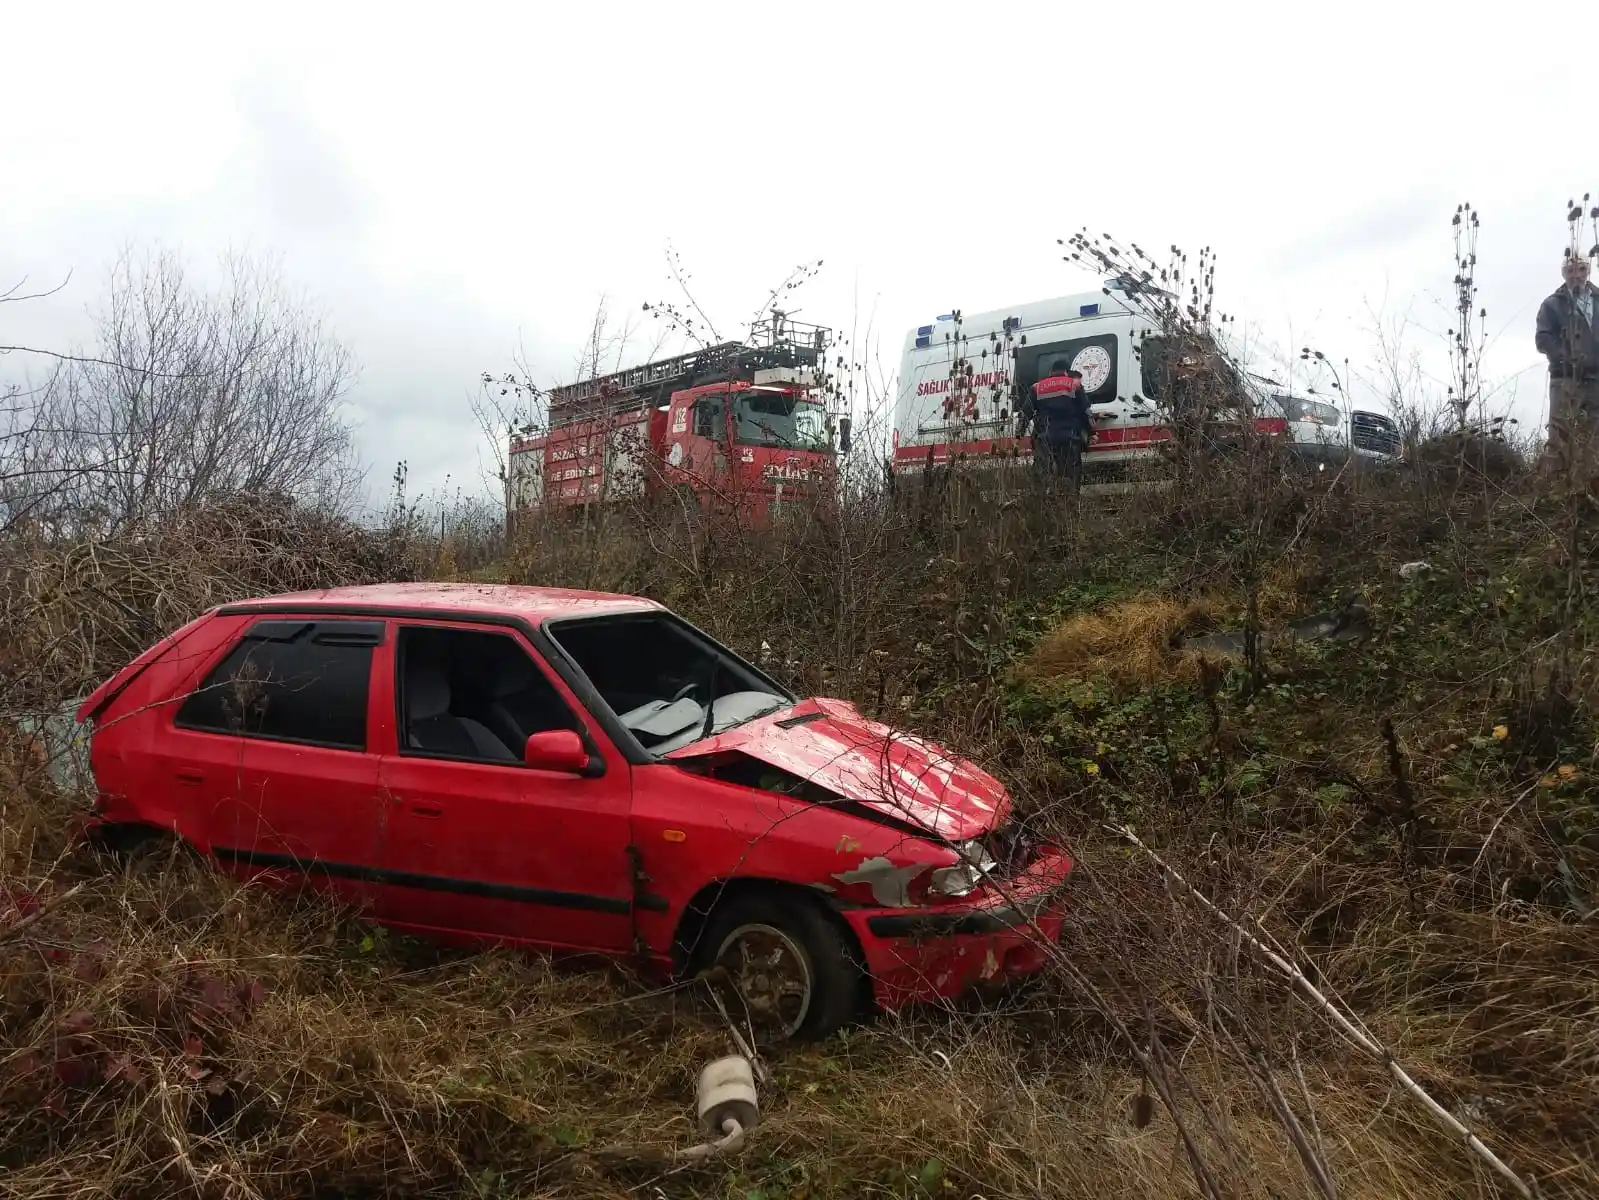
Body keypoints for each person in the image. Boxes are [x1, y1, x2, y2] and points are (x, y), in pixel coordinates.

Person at [1534, 253, 1599, 472]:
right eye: (1570, 270)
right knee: (1560, 438)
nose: (1576, 275)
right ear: (1564, 273)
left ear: (1587, 270)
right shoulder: (1552, 304)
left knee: (1594, 438)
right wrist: (1566, 359)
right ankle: (1555, 495)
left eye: (1581, 269)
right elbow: (1543, 339)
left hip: (1596, 379)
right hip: (1565, 379)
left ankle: (1588, 493)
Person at [1027, 362, 1093, 492]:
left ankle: (1042, 504)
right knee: (1071, 474)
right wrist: (1089, 432)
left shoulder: (1036, 387)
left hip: (1045, 439)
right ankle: (1071, 502)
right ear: (1066, 372)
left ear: (1050, 371)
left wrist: (1018, 434)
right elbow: (1086, 412)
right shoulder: (1074, 385)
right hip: (1069, 437)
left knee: (1042, 474)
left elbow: (1025, 413)